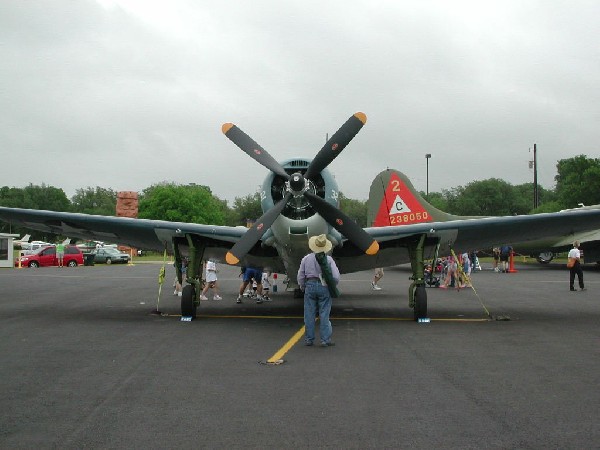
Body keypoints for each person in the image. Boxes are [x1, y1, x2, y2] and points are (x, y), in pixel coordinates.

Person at [297, 234, 340, 347]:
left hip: (309, 285)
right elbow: (336, 277)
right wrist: (332, 285)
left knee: (309, 314)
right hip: (324, 286)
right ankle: (325, 339)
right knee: (324, 313)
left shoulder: (306, 258)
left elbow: (300, 275)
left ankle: (309, 339)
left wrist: (302, 286)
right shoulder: (329, 259)